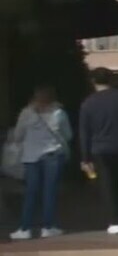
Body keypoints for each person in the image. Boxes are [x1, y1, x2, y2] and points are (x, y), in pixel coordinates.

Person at [80, 67, 118, 235]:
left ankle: (114, 221)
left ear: (93, 81)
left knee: (107, 184)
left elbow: (85, 132)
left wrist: (85, 157)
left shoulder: (88, 103)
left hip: (100, 148)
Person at [9, 85, 72, 240]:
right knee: (49, 191)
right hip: (53, 154)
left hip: (31, 156)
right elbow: (68, 135)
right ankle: (48, 227)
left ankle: (25, 228)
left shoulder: (26, 113)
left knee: (31, 192)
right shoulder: (59, 113)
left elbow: (18, 136)